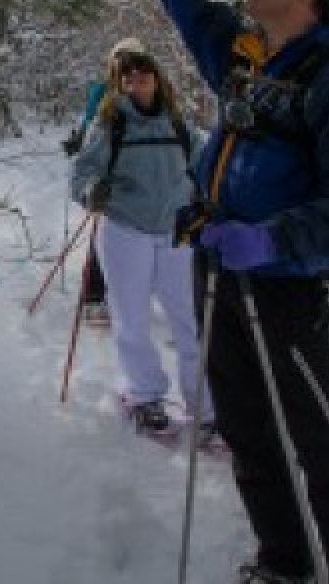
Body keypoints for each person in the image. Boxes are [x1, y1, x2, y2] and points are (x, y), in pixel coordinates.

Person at [119, 0, 329, 584]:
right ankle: (286, 563)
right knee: (247, 432)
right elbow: (187, 3)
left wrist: (271, 239)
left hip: (281, 286)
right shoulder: (248, 63)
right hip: (218, 272)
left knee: (322, 443)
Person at [70, 40, 217, 440]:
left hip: (176, 232)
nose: (136, 80)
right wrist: (91, 190)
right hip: (125, 229)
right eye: (128, 75)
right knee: (132, 317)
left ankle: (205, 408)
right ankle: (144, 395)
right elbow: (82, 172)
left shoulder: (179, 126)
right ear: (119, 83)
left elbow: (207, 169)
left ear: (157, 77)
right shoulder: (110, 124)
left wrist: (212, 199)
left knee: (189, 320)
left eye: (143, 72)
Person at [64, 39, 146, 326]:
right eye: (121, 58)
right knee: (103, 237)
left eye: (132, 58)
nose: (126, 64)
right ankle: (94, 298)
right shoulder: (103, 91)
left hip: (141, 176)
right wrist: (80, 140)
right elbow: (90, 126)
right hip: (108, 175)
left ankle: (130, 297)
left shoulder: (148, 90)